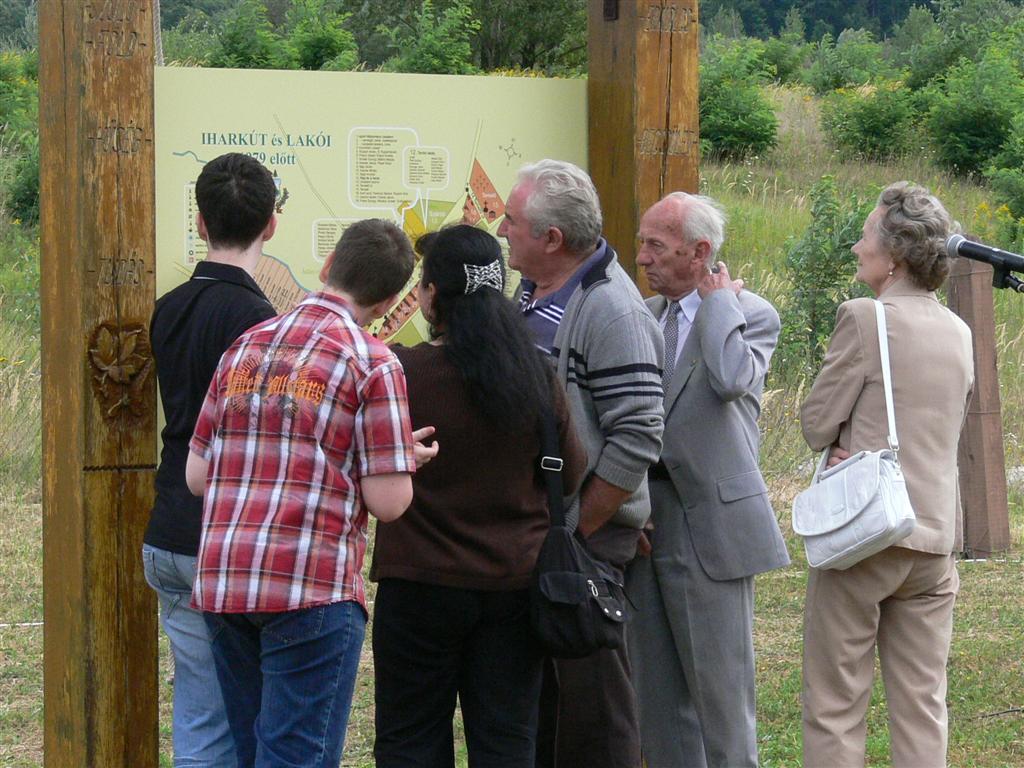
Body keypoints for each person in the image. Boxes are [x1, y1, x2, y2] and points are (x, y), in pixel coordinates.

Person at [185, 219, 424, 768]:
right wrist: (397, 456)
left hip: (226, 580)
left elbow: (198, 476)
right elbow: (389, 502)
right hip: (310, 585)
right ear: (388, 302)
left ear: (328, 264)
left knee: (250, 752)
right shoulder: (373, 361)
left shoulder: (246, 345)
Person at [370, 224, 587, 767]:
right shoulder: (534, 375)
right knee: (507, 741)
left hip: (417, 584)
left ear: (432, 295)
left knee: (410, 739)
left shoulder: (400, 373)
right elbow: (571, 472)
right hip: (513, 586)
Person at [800, 182, 974, 767]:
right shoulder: (960, 331)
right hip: (934, 539)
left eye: (865, 236)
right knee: (923, 705)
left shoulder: (864, 318)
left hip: (866, 532)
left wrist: (844, 441)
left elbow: (816, 424)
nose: (856, 247)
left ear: (894, 254)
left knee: (835, 702)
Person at [498, 159, 665, 768]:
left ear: (552, 239)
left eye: (511, 221)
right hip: (545, 535)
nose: (501, 230)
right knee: (548, 707)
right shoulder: (533, 290)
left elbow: (639, 434)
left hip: (578, 541)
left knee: (594, 712)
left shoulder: (613, 311)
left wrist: (579, 529)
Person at [626, 192, 790, 767]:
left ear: (700, 252)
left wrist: (718, 304)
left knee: (722, 703)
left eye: (656, 245)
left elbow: (730, 378)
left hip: (711, 532)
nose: (641, 257)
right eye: (642, 243)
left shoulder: (751, 313)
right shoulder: (643, 316)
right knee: (657, 705)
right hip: (646, 526)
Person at [143, 152, 278, 767]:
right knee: (240, 721)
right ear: (271, 224)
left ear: (200, 222)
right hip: (223, 537)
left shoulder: (169, 306)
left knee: (201, 716)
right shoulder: (257, 321)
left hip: (169, 527)